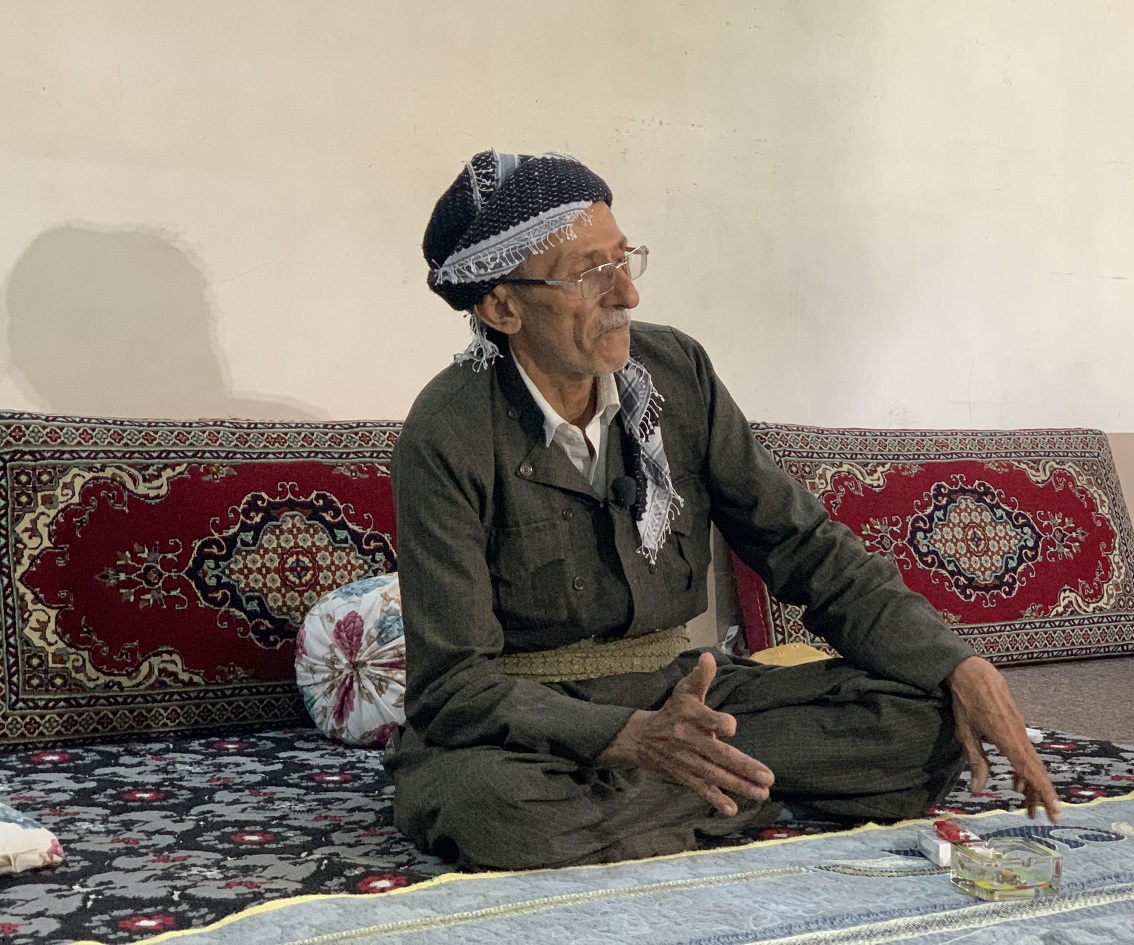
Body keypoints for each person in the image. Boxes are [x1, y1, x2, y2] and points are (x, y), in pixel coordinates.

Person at [384, 149, 1061, 870]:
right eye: (588, 273)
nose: (627, 295)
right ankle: (741, 791)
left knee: (925, 717)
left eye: (626, 259)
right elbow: (453, 686)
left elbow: (804, 547)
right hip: (535, 730)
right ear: (502, 305)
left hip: (683, 695)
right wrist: (626, 738)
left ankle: (684, 794)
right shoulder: (445, 433)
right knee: (498, 811)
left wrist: (960, 664)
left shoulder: (678, 374)